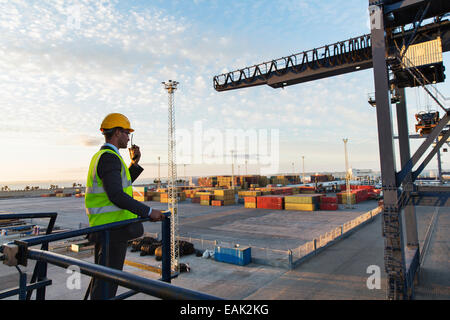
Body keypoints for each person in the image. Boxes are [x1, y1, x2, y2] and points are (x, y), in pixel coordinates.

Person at [84, 112, 165, 300]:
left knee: (104, 282)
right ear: (118, 132)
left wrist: (134, 163)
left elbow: (117, 185)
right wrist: (149, 211)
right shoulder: (109, 157)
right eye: (127, 133)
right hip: (112, 230)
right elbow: (116, 194)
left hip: (108, 229)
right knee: (107, 285)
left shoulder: (105, 156)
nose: (129, 138)